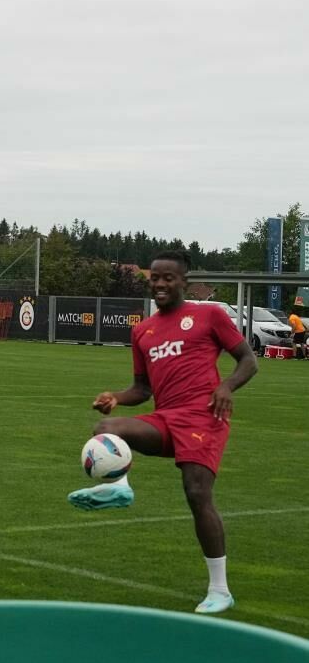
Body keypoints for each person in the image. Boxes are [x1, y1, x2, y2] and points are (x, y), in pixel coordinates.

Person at [68, 250, 258, 614]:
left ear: (184, 282)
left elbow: (248, 361)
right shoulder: (143, 331)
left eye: (168, 278)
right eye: (155, 277)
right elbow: (142, 390)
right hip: (166, 418)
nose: (159, 284)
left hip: (205, 418)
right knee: (105, 428)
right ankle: (119, 487)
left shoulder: (210, 315)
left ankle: (220, 590)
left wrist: (226, 387)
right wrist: (116, 397)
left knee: (197, 493)